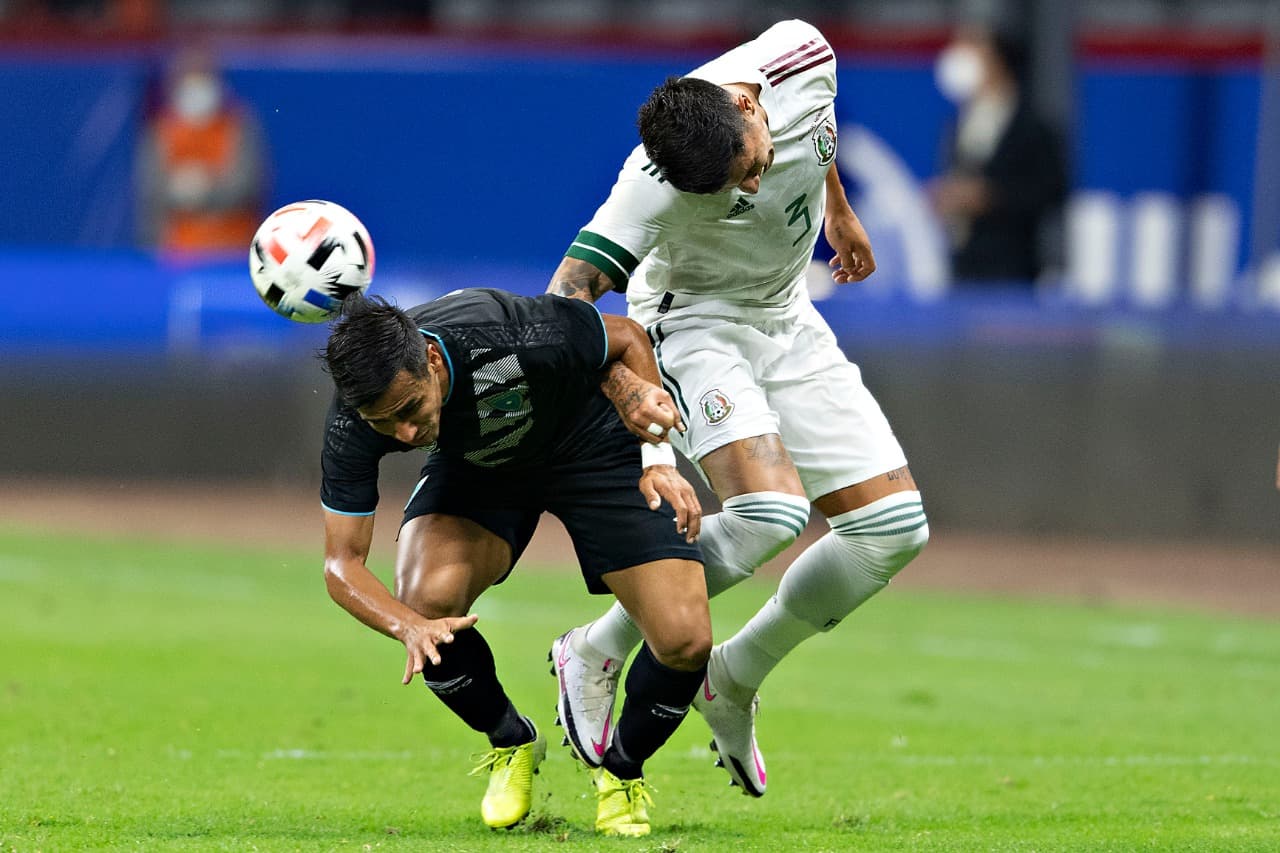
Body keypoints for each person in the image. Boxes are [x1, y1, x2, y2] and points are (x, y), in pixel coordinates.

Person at [545, 19, 929, 798]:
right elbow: (568, 296)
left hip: (788, 315)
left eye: (750, 168)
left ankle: (734, 676)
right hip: (693, 323)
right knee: (769, 512)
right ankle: (596, 646)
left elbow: (819, 133)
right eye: (731, 189)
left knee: (891, 531)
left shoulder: (803, 55)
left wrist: (839, 211)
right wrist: (625, 386)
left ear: (751, 106)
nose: (751, 187)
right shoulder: (648, 182)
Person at [319, 288, 709, 837]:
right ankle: (511, 742)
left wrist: (657, 457)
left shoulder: (505, 332)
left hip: (589, 442)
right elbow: (342, 564)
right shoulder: (355, 420)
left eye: (411, 409)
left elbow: (625, 338)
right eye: (386, 423)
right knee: (426, 603)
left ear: (431, 360)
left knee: (686, 638)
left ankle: (622, 773)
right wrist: (407, 627)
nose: (405, 434)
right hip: (482, 468)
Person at [928, 23, 1068, 286]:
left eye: (976, 48)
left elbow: (1051, 190)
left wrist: (990, 197)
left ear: (998, 60)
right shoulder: (959, 123)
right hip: (963, 267)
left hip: (1011, 270)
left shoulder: (1032, 127)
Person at [135, 47, 268, 252]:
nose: (196, 89)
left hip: (234, 249)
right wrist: (178, 192)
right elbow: (151, 193)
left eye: (203, 80)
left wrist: (205, 191)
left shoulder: (239, 126)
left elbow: (248, 185)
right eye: (190, 82)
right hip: (178, 253)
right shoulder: (161, 131)